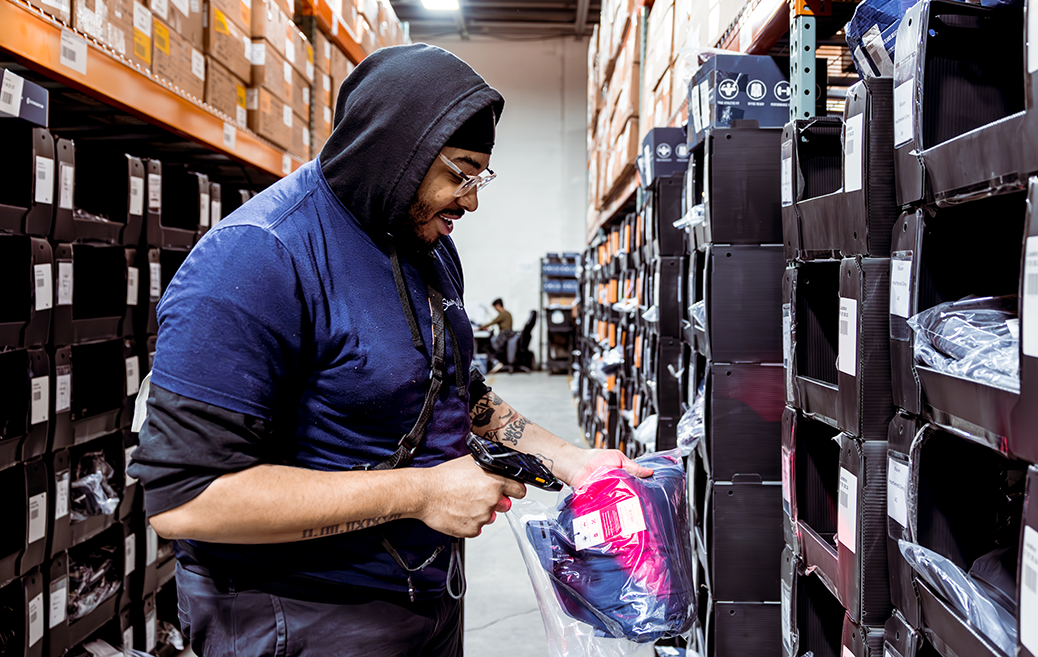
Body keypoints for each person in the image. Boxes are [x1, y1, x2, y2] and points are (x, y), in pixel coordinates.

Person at [129, 45, 649, 657]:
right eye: (460, 173)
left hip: (421, 600)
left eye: (481, 176)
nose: (472, 199)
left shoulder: (422, 245)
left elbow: (454, 388)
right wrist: (424, 492)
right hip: (299, 618)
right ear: (396, 148)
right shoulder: (257, 258)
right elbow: (188, 500)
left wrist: (570, 460)